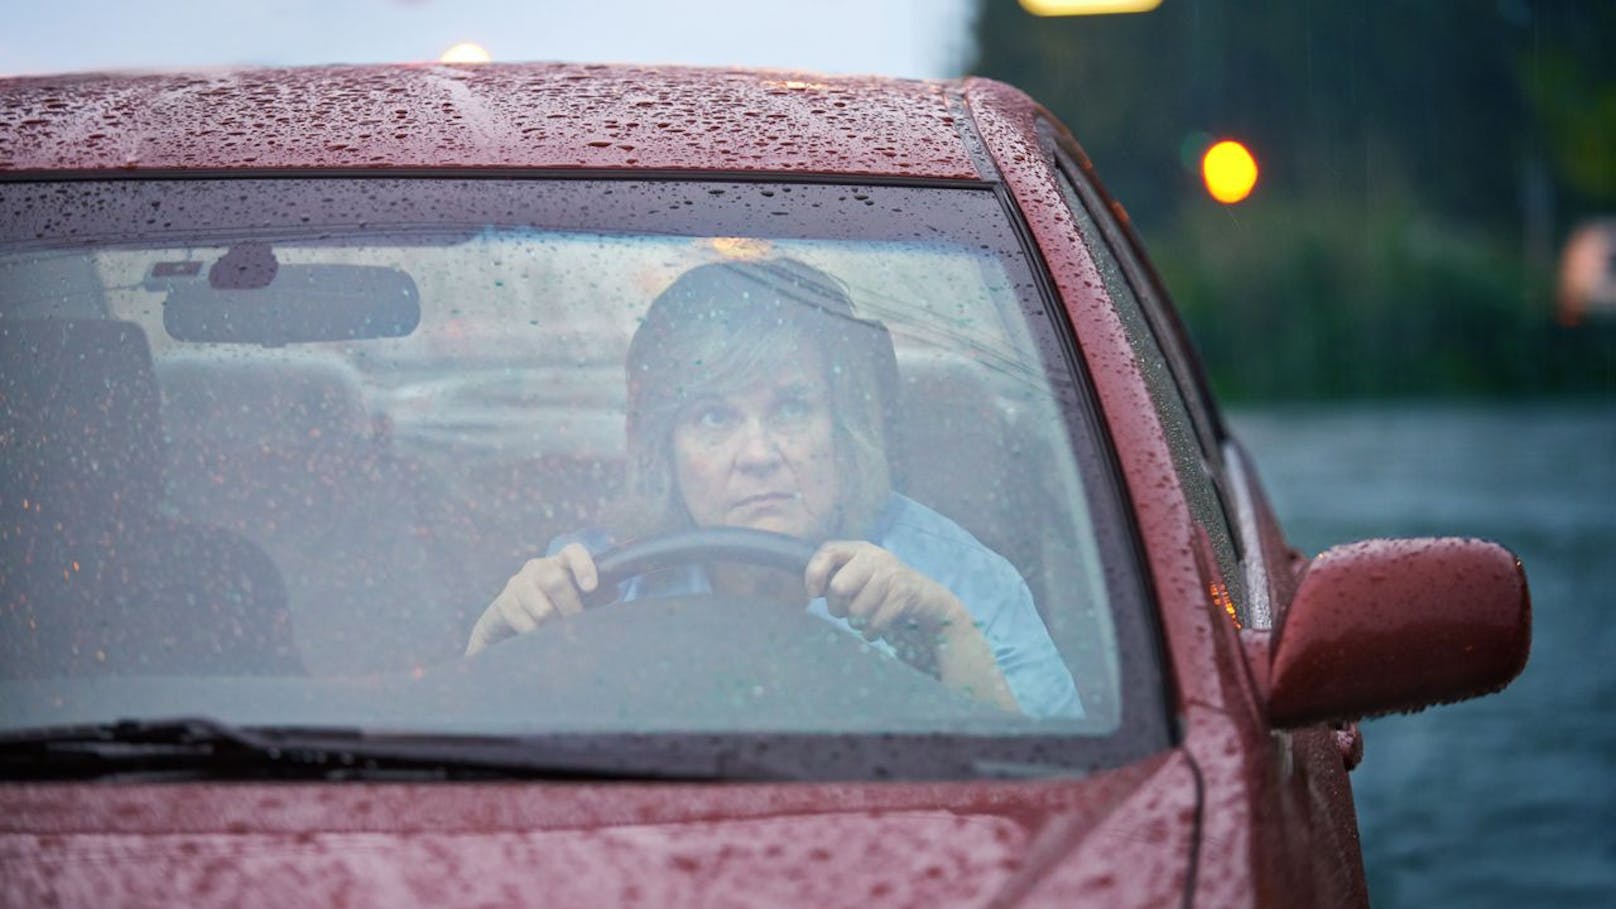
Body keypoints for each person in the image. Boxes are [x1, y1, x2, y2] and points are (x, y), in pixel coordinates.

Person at [465, 258, 1083, 719]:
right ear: (665, 449)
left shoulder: (963, 582)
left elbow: (1060, 799)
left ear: (842, 427)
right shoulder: (589, 583)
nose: (758, 455)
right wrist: (493, 644)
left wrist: (947, 633)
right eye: (713, 417)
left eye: (791, 408)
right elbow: (485, 789)